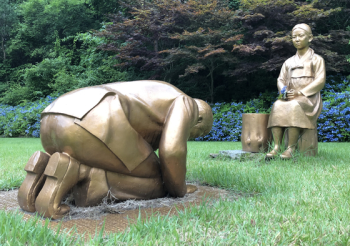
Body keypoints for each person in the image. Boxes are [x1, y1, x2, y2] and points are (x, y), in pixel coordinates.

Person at [18, 80, 213, 219]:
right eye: (196, 133)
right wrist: (178, 189)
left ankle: (44, 167)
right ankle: (81, 173)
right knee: (158, 181)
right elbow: (172, 151)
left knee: (125, 166)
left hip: (53, 116)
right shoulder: (187, 103)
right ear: (199, 120)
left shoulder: (158, 93)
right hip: (95, 117)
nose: (190, 137)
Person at [265, 23, 326, 159]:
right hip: (290, 97)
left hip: (308, 98)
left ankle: (291, 148)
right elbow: (281, 79)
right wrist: (284, 92)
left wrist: (301, 93)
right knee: (277, 105)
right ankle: (276, 147)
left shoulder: (317, 60)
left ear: (310, 38)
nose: (297, 39)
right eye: (294, 37)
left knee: (294, 106)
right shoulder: (288, 62)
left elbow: (320, 80)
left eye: (300, 36)